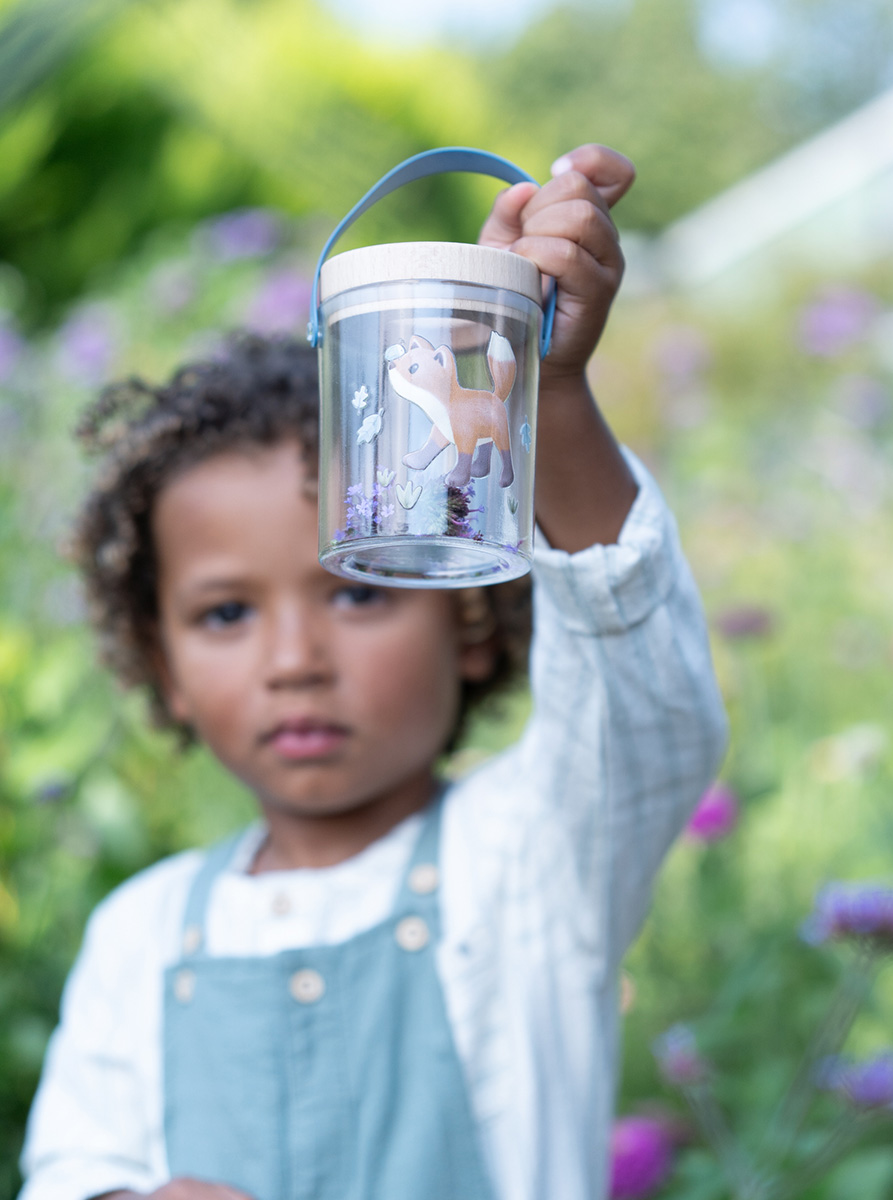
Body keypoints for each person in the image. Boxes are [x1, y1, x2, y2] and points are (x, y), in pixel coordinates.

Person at [18, 144, 727, 1200]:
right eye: (224, 614)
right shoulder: (143, 933)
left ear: (474, 619)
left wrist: (551, 392)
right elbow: (71, 1169)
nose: (295, 662)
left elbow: (649, 709)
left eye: (356, 594)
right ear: (161, 667)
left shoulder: (533, 861)